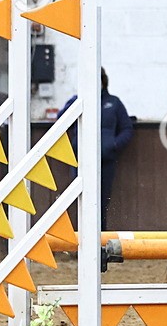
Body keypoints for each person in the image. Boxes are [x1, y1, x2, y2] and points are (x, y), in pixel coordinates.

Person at [58, 68, 135, 230]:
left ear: (103, 81)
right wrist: (75, 100)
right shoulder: (77, 101)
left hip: (105, 160)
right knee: (82, 200)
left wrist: (113, 145)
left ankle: (99, 242)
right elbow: (62, 121)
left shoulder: (114, 103)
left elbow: (127, 128)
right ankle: (82, 242)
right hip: (81, 159)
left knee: (101, 202)